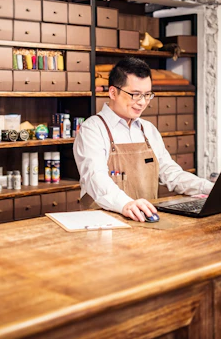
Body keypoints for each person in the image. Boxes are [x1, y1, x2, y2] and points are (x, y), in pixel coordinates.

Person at [73, 57, 213, 222]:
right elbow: (95, 178)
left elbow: (171, 174)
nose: (142, 102)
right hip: (104, 224)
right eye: (135, 95)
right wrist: (126, 204)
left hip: (145, 221)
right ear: (112, 92)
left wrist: (209, 188)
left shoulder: (148, 130)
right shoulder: (92, 129)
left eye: (147, 95)